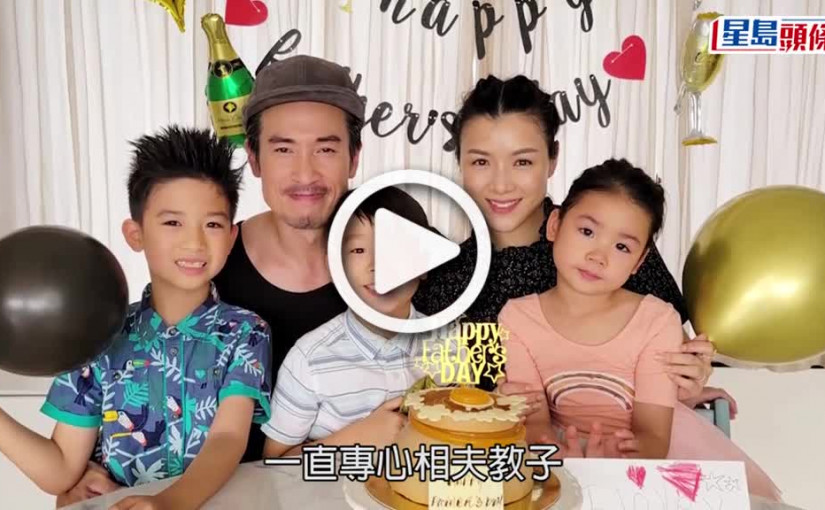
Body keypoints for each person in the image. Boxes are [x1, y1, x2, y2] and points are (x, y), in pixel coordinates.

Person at [1, 126, 272, 509]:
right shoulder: (98, 335)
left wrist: (169, 503)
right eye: (173, 222)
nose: (194, 242)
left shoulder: (246, 332)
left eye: (212, 224)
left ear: (231, 237)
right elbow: (60, 470)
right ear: (135, 234)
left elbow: (228, 440)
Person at [412, 75, 722, 407]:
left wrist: (689, 376)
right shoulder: (442, 282)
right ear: (460, 162)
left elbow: (670, 357)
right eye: (481, 162)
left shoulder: (607, 244)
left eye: (522, 162)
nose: (501, 185)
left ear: (553, 159)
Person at [502, 159, 781, 500]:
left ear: (639, 261)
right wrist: (565, 462)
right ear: (555, 225)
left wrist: (616, 464)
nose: (598, 256)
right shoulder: (517, 318)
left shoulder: (657, 321)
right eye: (587, 231)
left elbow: (653, 436)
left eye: (622, 247)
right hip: (555, 453)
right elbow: (535, 424)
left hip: (649, 460)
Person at [262, 187, 439, 457]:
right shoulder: (309, 359)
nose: (377, 265)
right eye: (358, 249)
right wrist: (354, 438)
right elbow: (273, 463)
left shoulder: (452, 343)